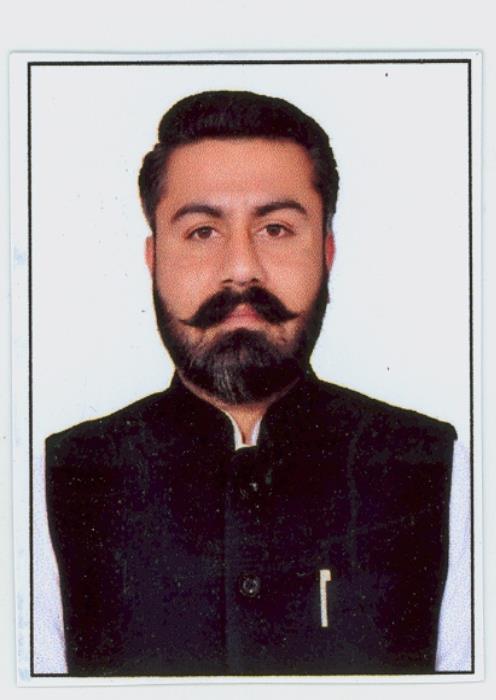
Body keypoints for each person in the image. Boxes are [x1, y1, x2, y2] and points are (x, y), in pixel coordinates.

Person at [43, 90, 470, 676]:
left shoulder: (448, 475)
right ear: (153, 258)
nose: (241, 269)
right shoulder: (48, 486)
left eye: (275, 228)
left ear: (327, 251)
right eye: (202, 232)